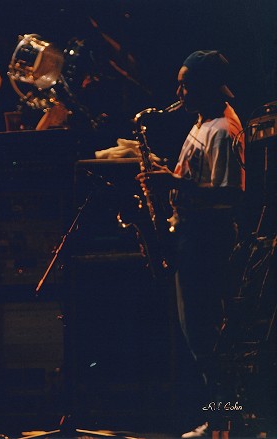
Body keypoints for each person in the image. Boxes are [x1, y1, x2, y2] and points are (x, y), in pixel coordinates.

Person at [137, 50, 245, 437]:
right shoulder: (202, 123)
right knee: (198, 335)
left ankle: (225, 421)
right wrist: (166, 177)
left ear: (206, 86)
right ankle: (220, 421)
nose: (178, 92)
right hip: (192, 235)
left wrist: (172, 182)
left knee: (206, 337)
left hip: (206, 239)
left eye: (186, 85)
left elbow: (229, 196)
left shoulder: (222, 130)